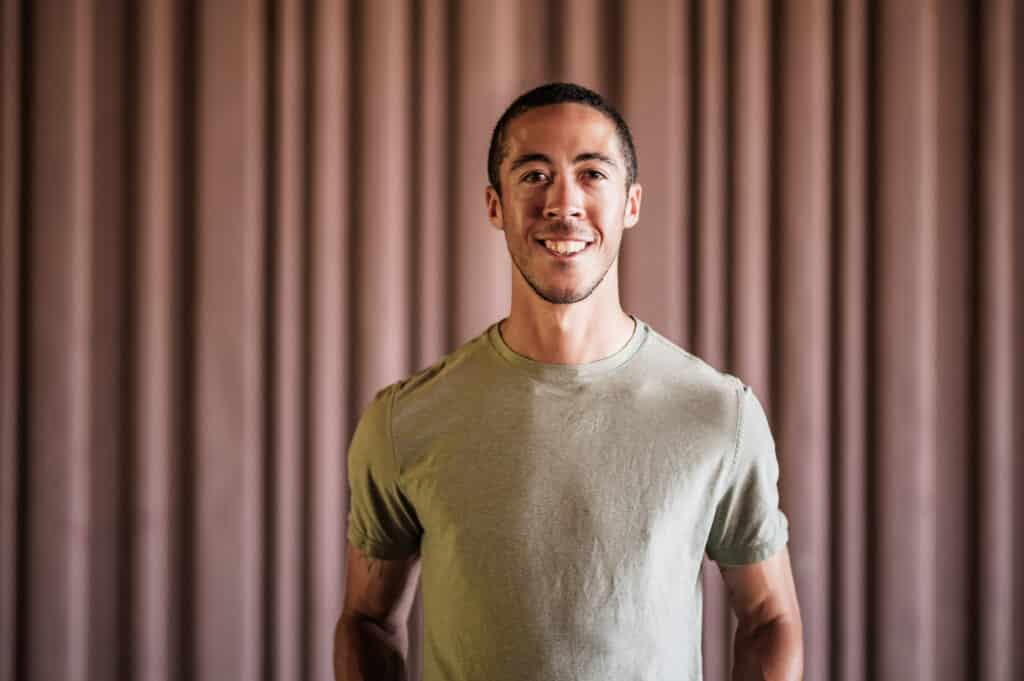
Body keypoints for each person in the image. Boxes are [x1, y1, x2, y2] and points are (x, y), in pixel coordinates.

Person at [334, 82, 803, 681]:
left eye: (591, 174)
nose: (563, 202)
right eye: (533, 175)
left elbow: (769, 618)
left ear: (631, 204)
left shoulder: (720, 413)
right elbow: (366, 622)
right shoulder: (403, 421)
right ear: (494, 205)